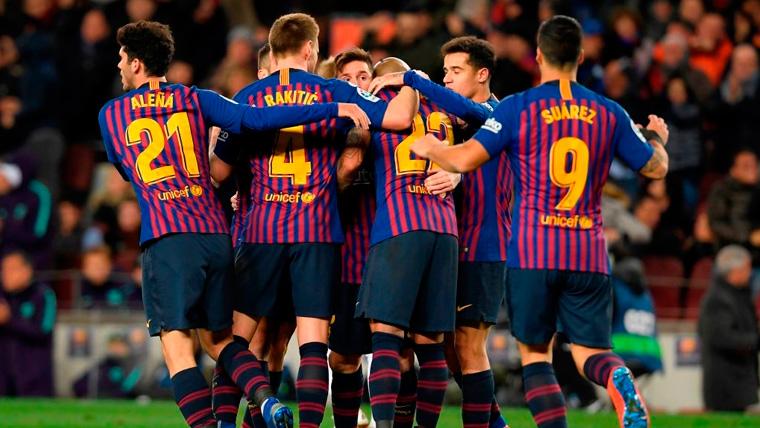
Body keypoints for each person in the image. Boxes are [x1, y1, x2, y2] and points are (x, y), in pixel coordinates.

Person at [98, 20, 368, 428]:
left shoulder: (111, 113)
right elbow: (255, 119)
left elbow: (130, 169)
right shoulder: (196, 98)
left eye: (121, 58)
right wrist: (334, 107)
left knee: (178, 351)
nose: (118, 65)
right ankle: (266, 400)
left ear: (136, 64)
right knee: (221, 340)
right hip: (215, 235)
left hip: (168, 236)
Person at [410, 15, 669, 428]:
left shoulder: (517, 108)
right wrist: (657, 138)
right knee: (590, 353)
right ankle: (618, 379)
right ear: (581, 57)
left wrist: (429, 147)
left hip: (534, 251)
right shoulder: (609, 111)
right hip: (588, 251)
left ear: (537, 57)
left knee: (535, 356)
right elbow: (655, 169)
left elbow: (463, 159)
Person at [209, 13, 417, 428]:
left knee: (238, 341)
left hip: (260, 230)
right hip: (317, 231)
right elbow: (399, 119)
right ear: (309, 49)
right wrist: (410, 79)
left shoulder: (247, 97)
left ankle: (224, 424)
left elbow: (217, 172)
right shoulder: (335, 92)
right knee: (312, 346)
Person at [370, 35, 510, 428]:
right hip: (451, 244)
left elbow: (471, 140)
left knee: (467, 349)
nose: (447, 79)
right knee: (445, 351)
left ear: (482, 74)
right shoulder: (458, 123)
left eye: (456, 71)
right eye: (444, 71)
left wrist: (413, 79)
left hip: (483, 246)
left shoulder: (497, 116)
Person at [353, 56, 458, 428]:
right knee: (431, 345)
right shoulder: (443, 111)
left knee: (386, 336)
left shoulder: (380, 109)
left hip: (400, 227)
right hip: (445, 231)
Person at [698, 245, 760, 412]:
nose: (750, 272)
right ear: (735, 270)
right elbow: (722, 337)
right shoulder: (717, 299)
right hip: (724, 385)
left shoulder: (737, 296)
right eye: (747, 267)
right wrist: (756, 340)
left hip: (738, 382)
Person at [0, 251, 56, 397]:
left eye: (11, 269)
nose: (5, 274)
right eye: (3, 269)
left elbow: (43, 331)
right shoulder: (3, 297)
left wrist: (9, 320)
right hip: (4, 380)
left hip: (34, 381)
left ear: (26, 270)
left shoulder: (42, 295)